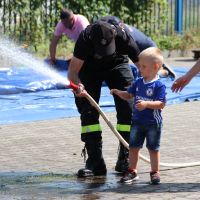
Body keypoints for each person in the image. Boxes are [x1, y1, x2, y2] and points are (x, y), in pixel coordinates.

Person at [67, 21, 140, 177]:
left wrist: (148, 89)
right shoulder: (85, 39)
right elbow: (73, 72)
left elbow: (143, 66)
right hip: (89, 69)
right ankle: (95, 162)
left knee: (128, 108)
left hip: (117, 65)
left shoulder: (123, 36)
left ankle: (125, 158)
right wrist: (77, 86)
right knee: (88, 111)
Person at [111, 47, 166, 184]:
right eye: (139, 65)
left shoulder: (159, 85)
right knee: (133, 147)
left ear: (155, 67)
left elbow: (161, 104)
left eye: (143, 66)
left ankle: (155, 172)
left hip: (153, 123)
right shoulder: (138, 82)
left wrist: (147, 104)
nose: (139, 69)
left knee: (153, 148)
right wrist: (119, 92)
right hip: (137, 122)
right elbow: (129, 94)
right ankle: (132, 171)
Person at [98, 15, 176, 78]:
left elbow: (133, 58)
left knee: (145, 73)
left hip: (148, 49)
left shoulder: (126, 38)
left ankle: (165, 72)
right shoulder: (103, 29)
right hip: (142, 46)